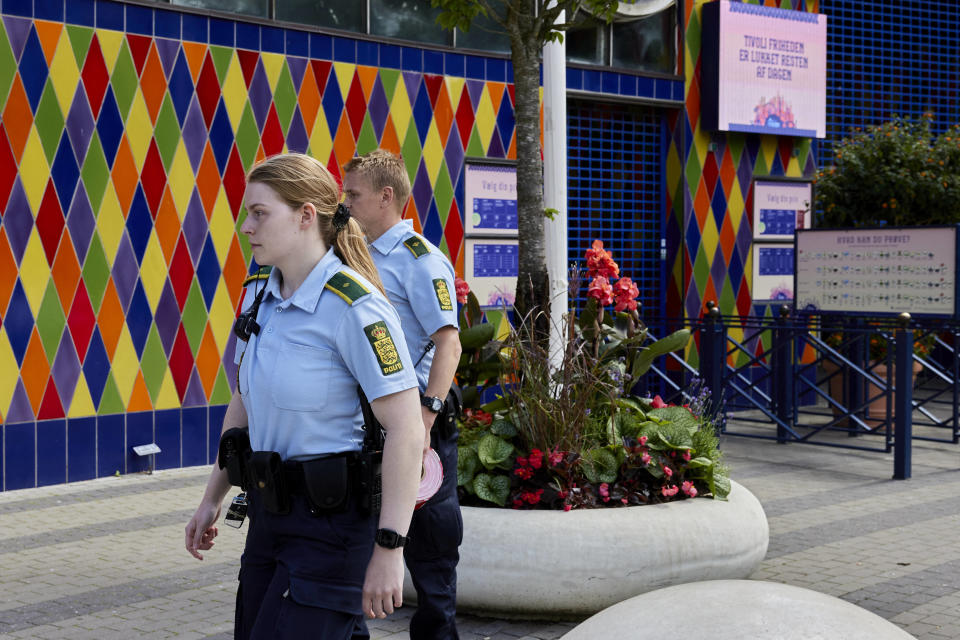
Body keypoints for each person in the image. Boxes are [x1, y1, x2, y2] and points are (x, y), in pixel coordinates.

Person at [184, 153, 423, 640]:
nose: (246, 227)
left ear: (306, 215)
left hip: (332, 529)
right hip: (269, 520)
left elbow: (406, 428)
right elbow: (244, 403)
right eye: (247, 213)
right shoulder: (260, 297)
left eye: (260, 213)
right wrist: (213, 496)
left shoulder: (356, 308)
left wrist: (390, 548)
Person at [343, 150, 463, 640]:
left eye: (353, 194)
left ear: (385, 197)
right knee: (353, 546)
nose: (345, 204)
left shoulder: (419, 259)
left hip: (419, 421)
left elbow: (448, 342)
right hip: (369, 427)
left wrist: (426, 418)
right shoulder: (353, 254)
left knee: (432, 555)